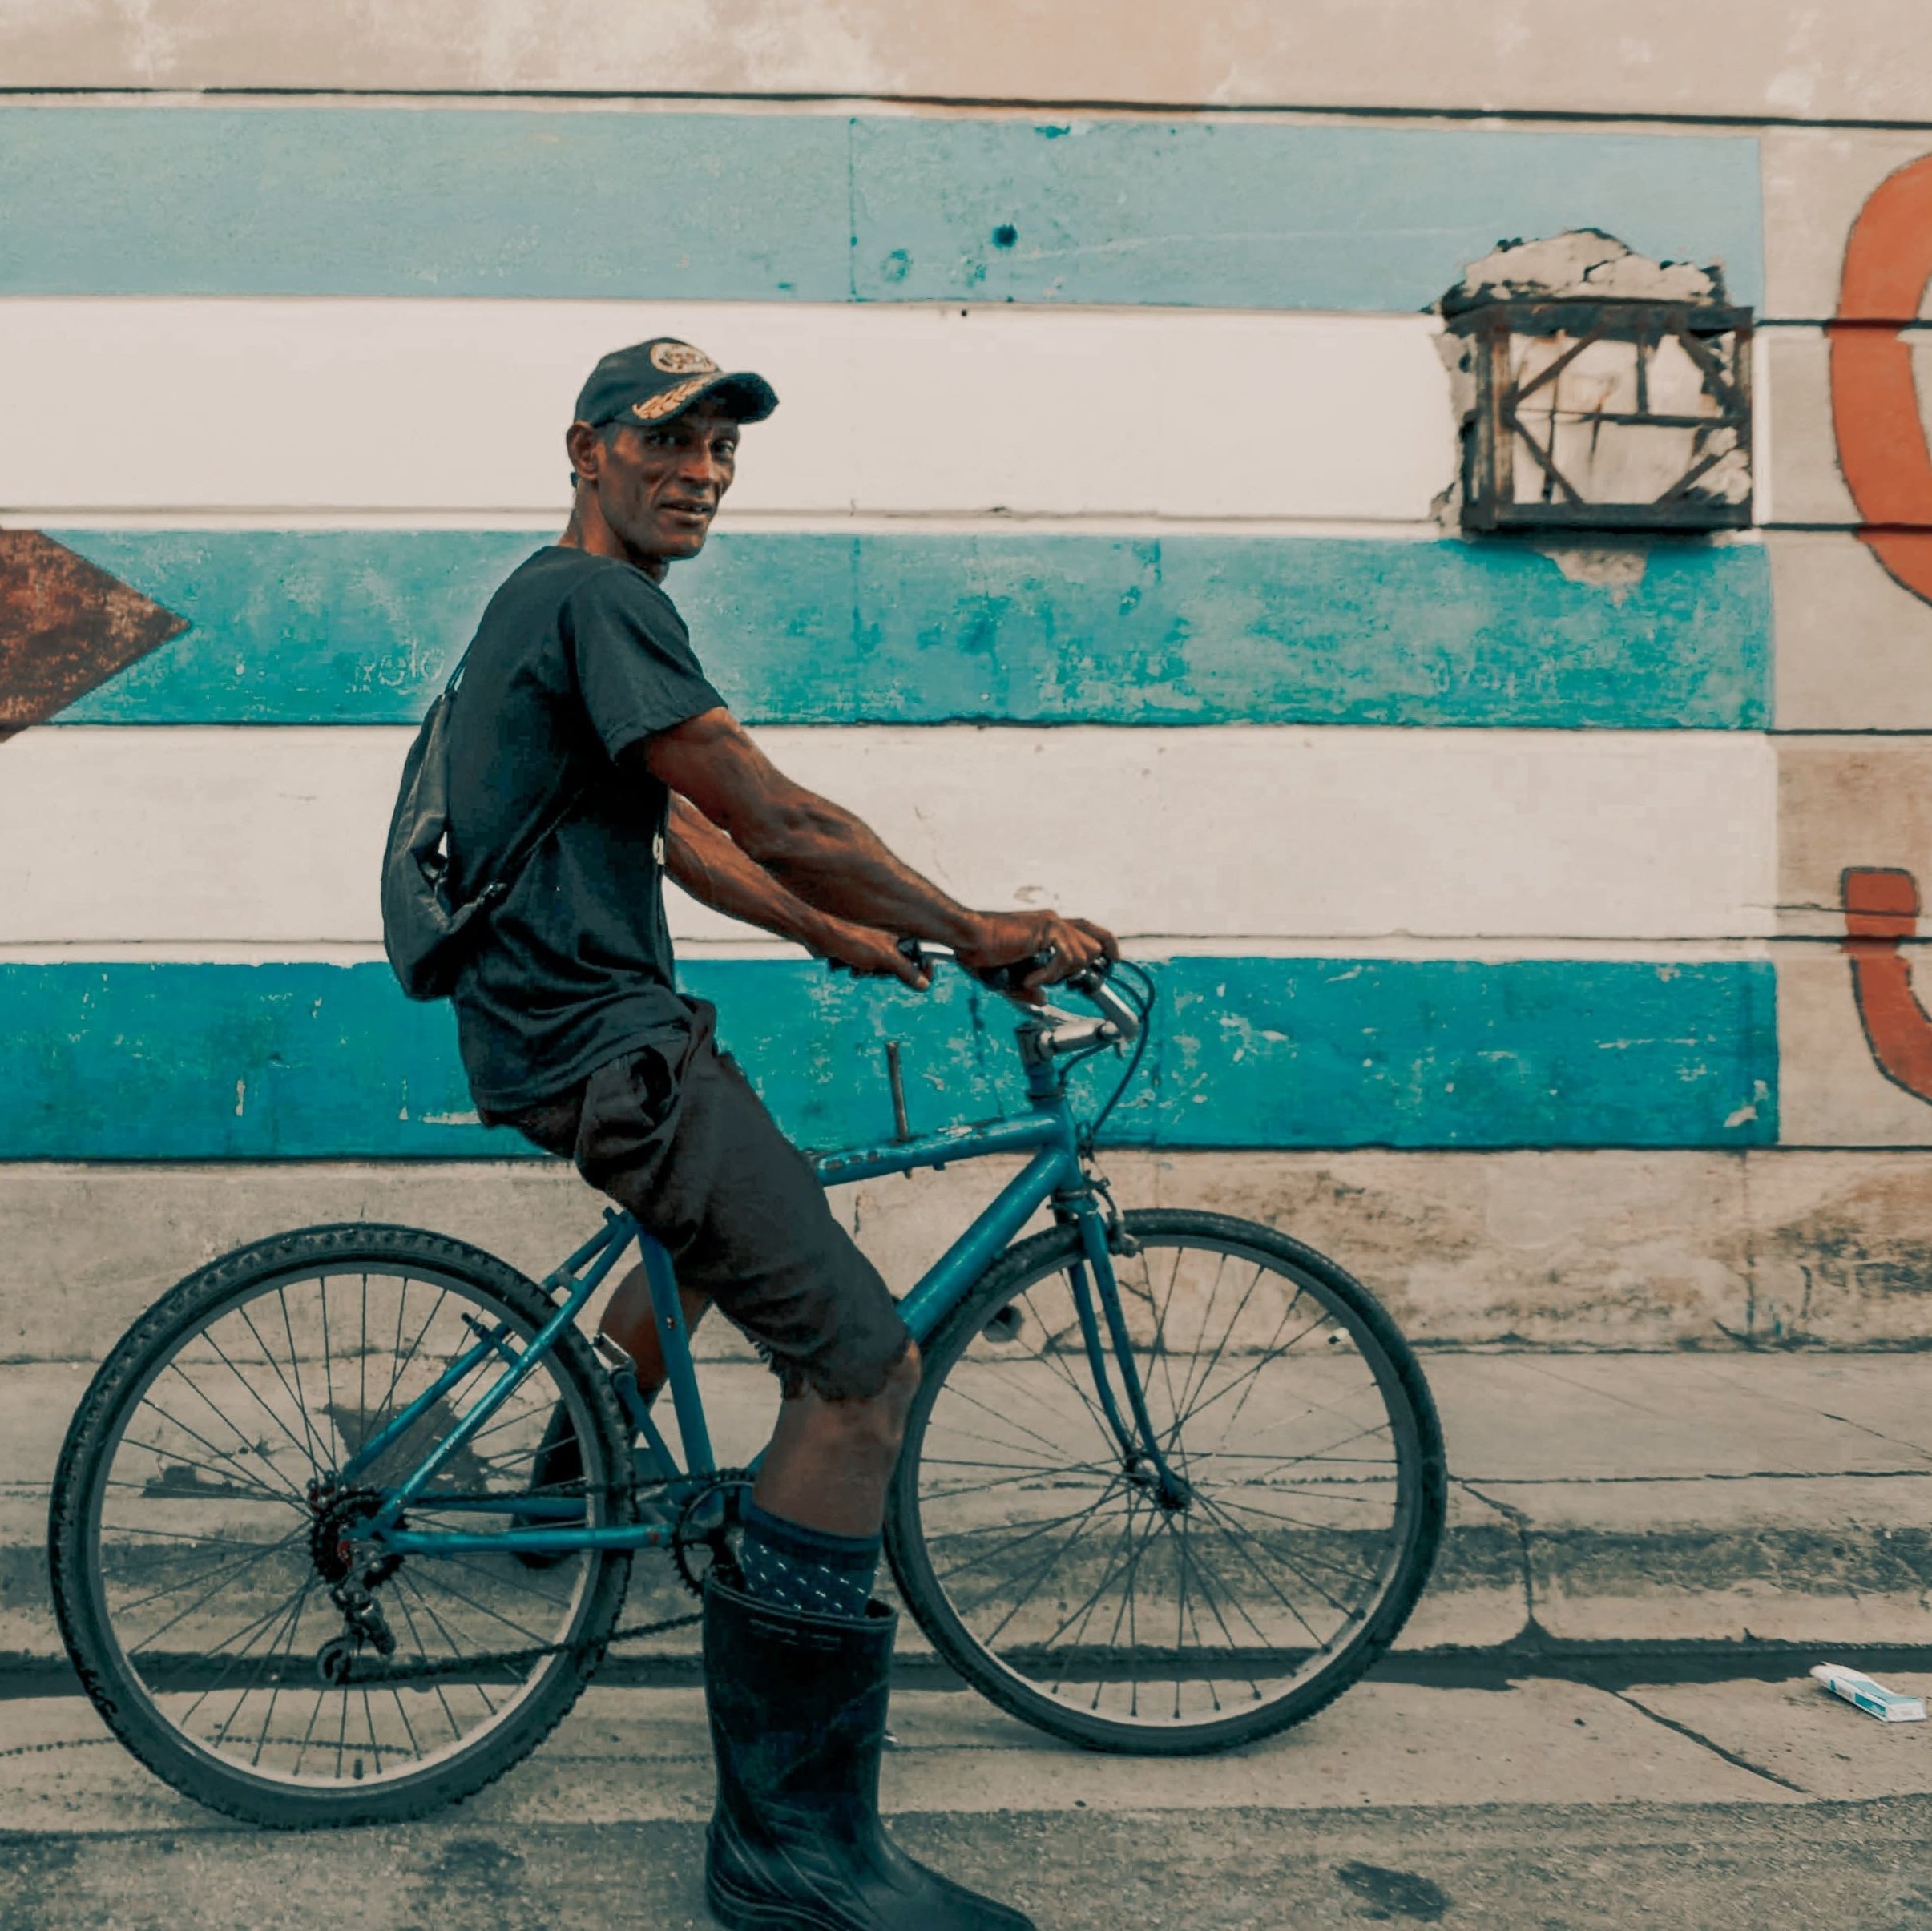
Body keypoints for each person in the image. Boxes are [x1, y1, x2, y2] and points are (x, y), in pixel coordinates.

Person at [441, 337, 1116, 1931]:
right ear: (587, 447)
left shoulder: (542, 609)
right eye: (668, 438)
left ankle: (576, 1447)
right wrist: (980, 922)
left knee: (742, 1219)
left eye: (724, 448)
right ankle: (789, 1848)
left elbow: (671, 829)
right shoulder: (599, 603)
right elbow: (765, 805)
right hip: (607, 1042)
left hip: (579, 1033)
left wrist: (832, 933)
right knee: (863, 1370)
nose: (702, 469)